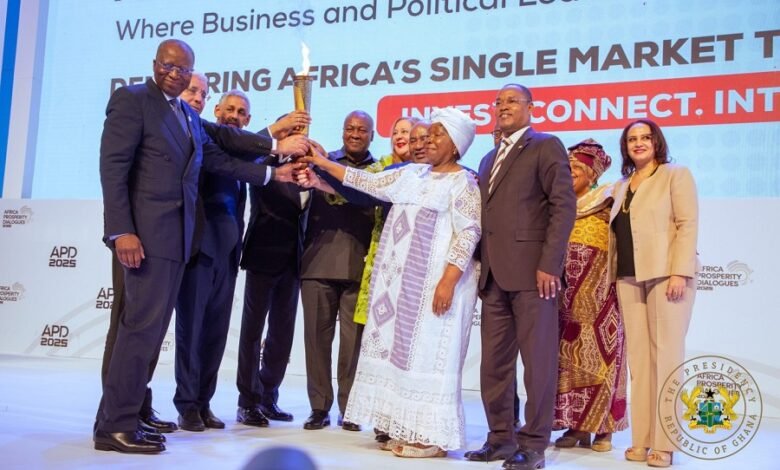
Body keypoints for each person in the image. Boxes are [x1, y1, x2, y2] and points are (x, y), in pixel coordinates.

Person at [95, 39, 304, 454]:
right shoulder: (133, 100)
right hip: (144, 239)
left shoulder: (186, 118)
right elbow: (113, 168)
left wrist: (275, 165)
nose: (175, 73)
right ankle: (114, 427)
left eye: (183, 69)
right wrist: (122, 231)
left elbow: (224, 152)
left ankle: (128, 416)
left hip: (177, 242)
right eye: (168, 66)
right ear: (155, 65)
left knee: (150, 336)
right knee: (137, 333)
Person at [297, 107, 481, 458]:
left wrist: (448, 280)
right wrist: (322, 161)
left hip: (435, 288)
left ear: (456, 145)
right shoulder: (412, 173)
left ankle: (432, 438)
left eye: (438, 134)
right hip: (399, 291)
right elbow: (363, 181)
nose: (429, 139)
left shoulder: (464, 183)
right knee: (401, 357)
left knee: (428, 358)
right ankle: (406, 428)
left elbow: (468, 232)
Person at [465, 84, 576, 470]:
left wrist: (550, 263)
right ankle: (500, 438)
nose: (503, 107)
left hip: (534, 275)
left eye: (512, 101)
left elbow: (564, 207)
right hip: (494, 275)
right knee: (493, 364)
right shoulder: (486, 158)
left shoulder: (546, 146)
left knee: (538, 364)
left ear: (530, 107)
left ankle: (533, 444)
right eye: (499, 102)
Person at [609, 119, 698, 468]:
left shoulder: (676, 175)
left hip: (667, 275)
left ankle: (666, 443)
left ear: (657, 142)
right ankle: (642, 440)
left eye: (646, 137)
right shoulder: (620, 185)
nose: (639, 143)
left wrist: (680, 271)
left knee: (667, 359)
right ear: (625, 146)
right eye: (632, 139)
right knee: (640, 364)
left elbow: (687, 224)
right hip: (629, 277)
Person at [173, 90, 255, 432]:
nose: (234, 115)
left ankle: (204, 402)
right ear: (217, 111)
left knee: (216, 335)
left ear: (247, 120)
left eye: (241, 112)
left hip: (228, 257)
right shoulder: (203, 139)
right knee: (190, 333)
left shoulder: (242, 158)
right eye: (229, 109)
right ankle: (187, 404)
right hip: (199, 254)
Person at [299, 111, 377, 432]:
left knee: (353, 344)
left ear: (372, 135)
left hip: (359, 268)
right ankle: (319, 407)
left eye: (362, 130)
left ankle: (350, 408)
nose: (355, 134)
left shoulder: (380, 170)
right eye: (349, 128)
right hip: (317, 263)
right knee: (316, 341)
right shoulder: (320, 161)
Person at [553, 139, 628, 452]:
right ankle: (575, 427)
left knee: (604, 361)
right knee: (567, 363)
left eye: (576, 169)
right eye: (566, 168)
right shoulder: (559, 206)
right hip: (565, 299)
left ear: (592, 174)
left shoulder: (609, 200)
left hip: (602, 300)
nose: (569, 174)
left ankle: (604, 430)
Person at [236, 115, 311, 427]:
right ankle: (248, 401)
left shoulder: (311, 166)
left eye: (301, 131)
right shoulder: (265, 160)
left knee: (282, 334)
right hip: (263, 256)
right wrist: (276, 147)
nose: (297, 136)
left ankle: (269, 395)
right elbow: (246, 159)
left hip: (294, 262)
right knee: (253, 332)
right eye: (291, 130)